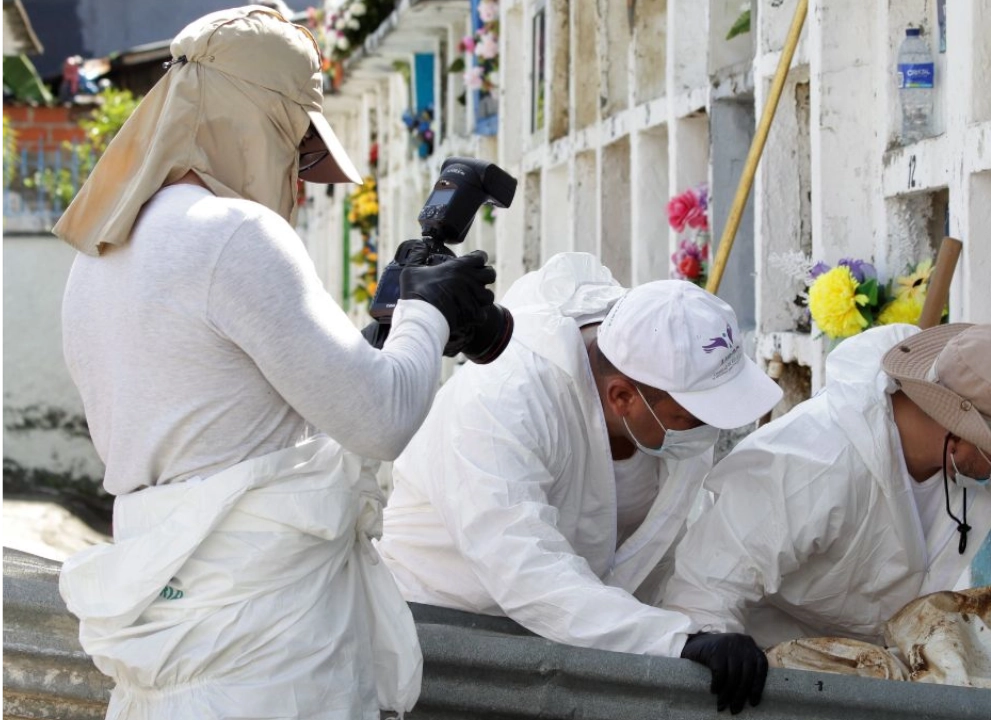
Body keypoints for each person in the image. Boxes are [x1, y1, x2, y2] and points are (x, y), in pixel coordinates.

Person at [52, 7, 497, 719]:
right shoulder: (235, 233)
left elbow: (234, 412)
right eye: (297, 151)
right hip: (264, 654)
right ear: (254, 121)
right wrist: (429, 309)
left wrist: (385, 335)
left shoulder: (101, 253)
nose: (298, 185)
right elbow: (382, 421)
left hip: (167, 637)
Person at [376, 252, 783, 714]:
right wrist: (675, 640)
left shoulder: (667, 399)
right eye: (692, 419)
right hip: (443, 640)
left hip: (574, 647)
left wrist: (696, 629)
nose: (707, 432)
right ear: (622, 397)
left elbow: (657, 555)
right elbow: (525, 569)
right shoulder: (505, 401)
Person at [661, 323, 991, 650]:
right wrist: (721, 658)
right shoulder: (812, 462)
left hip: (886, 668)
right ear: (960, 431)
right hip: (770, 667)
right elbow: (706, 590)